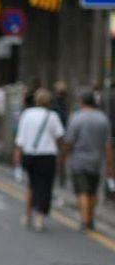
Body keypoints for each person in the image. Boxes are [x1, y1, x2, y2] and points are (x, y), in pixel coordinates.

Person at [13, 88, 65, 233]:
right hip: (47, 156)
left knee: (31, 186)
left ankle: (28, 215)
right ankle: (40, 219)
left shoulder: (27, 114)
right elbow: (60, 135)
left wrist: (17, 154)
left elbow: (20, 138)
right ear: (49, 101)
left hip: (30, 155)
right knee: (45, 187)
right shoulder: (53, 116)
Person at [61, 91, 110, 232]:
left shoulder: (76, 118)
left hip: (79, 161)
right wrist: (110, 164)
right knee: (93, 192)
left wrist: (64, 155)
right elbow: (107, 145)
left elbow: (69, 140)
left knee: (82, 191)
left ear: (82, 101)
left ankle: (84, 220)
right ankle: (91, 218)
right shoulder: (103, 119)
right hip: (97, 161)